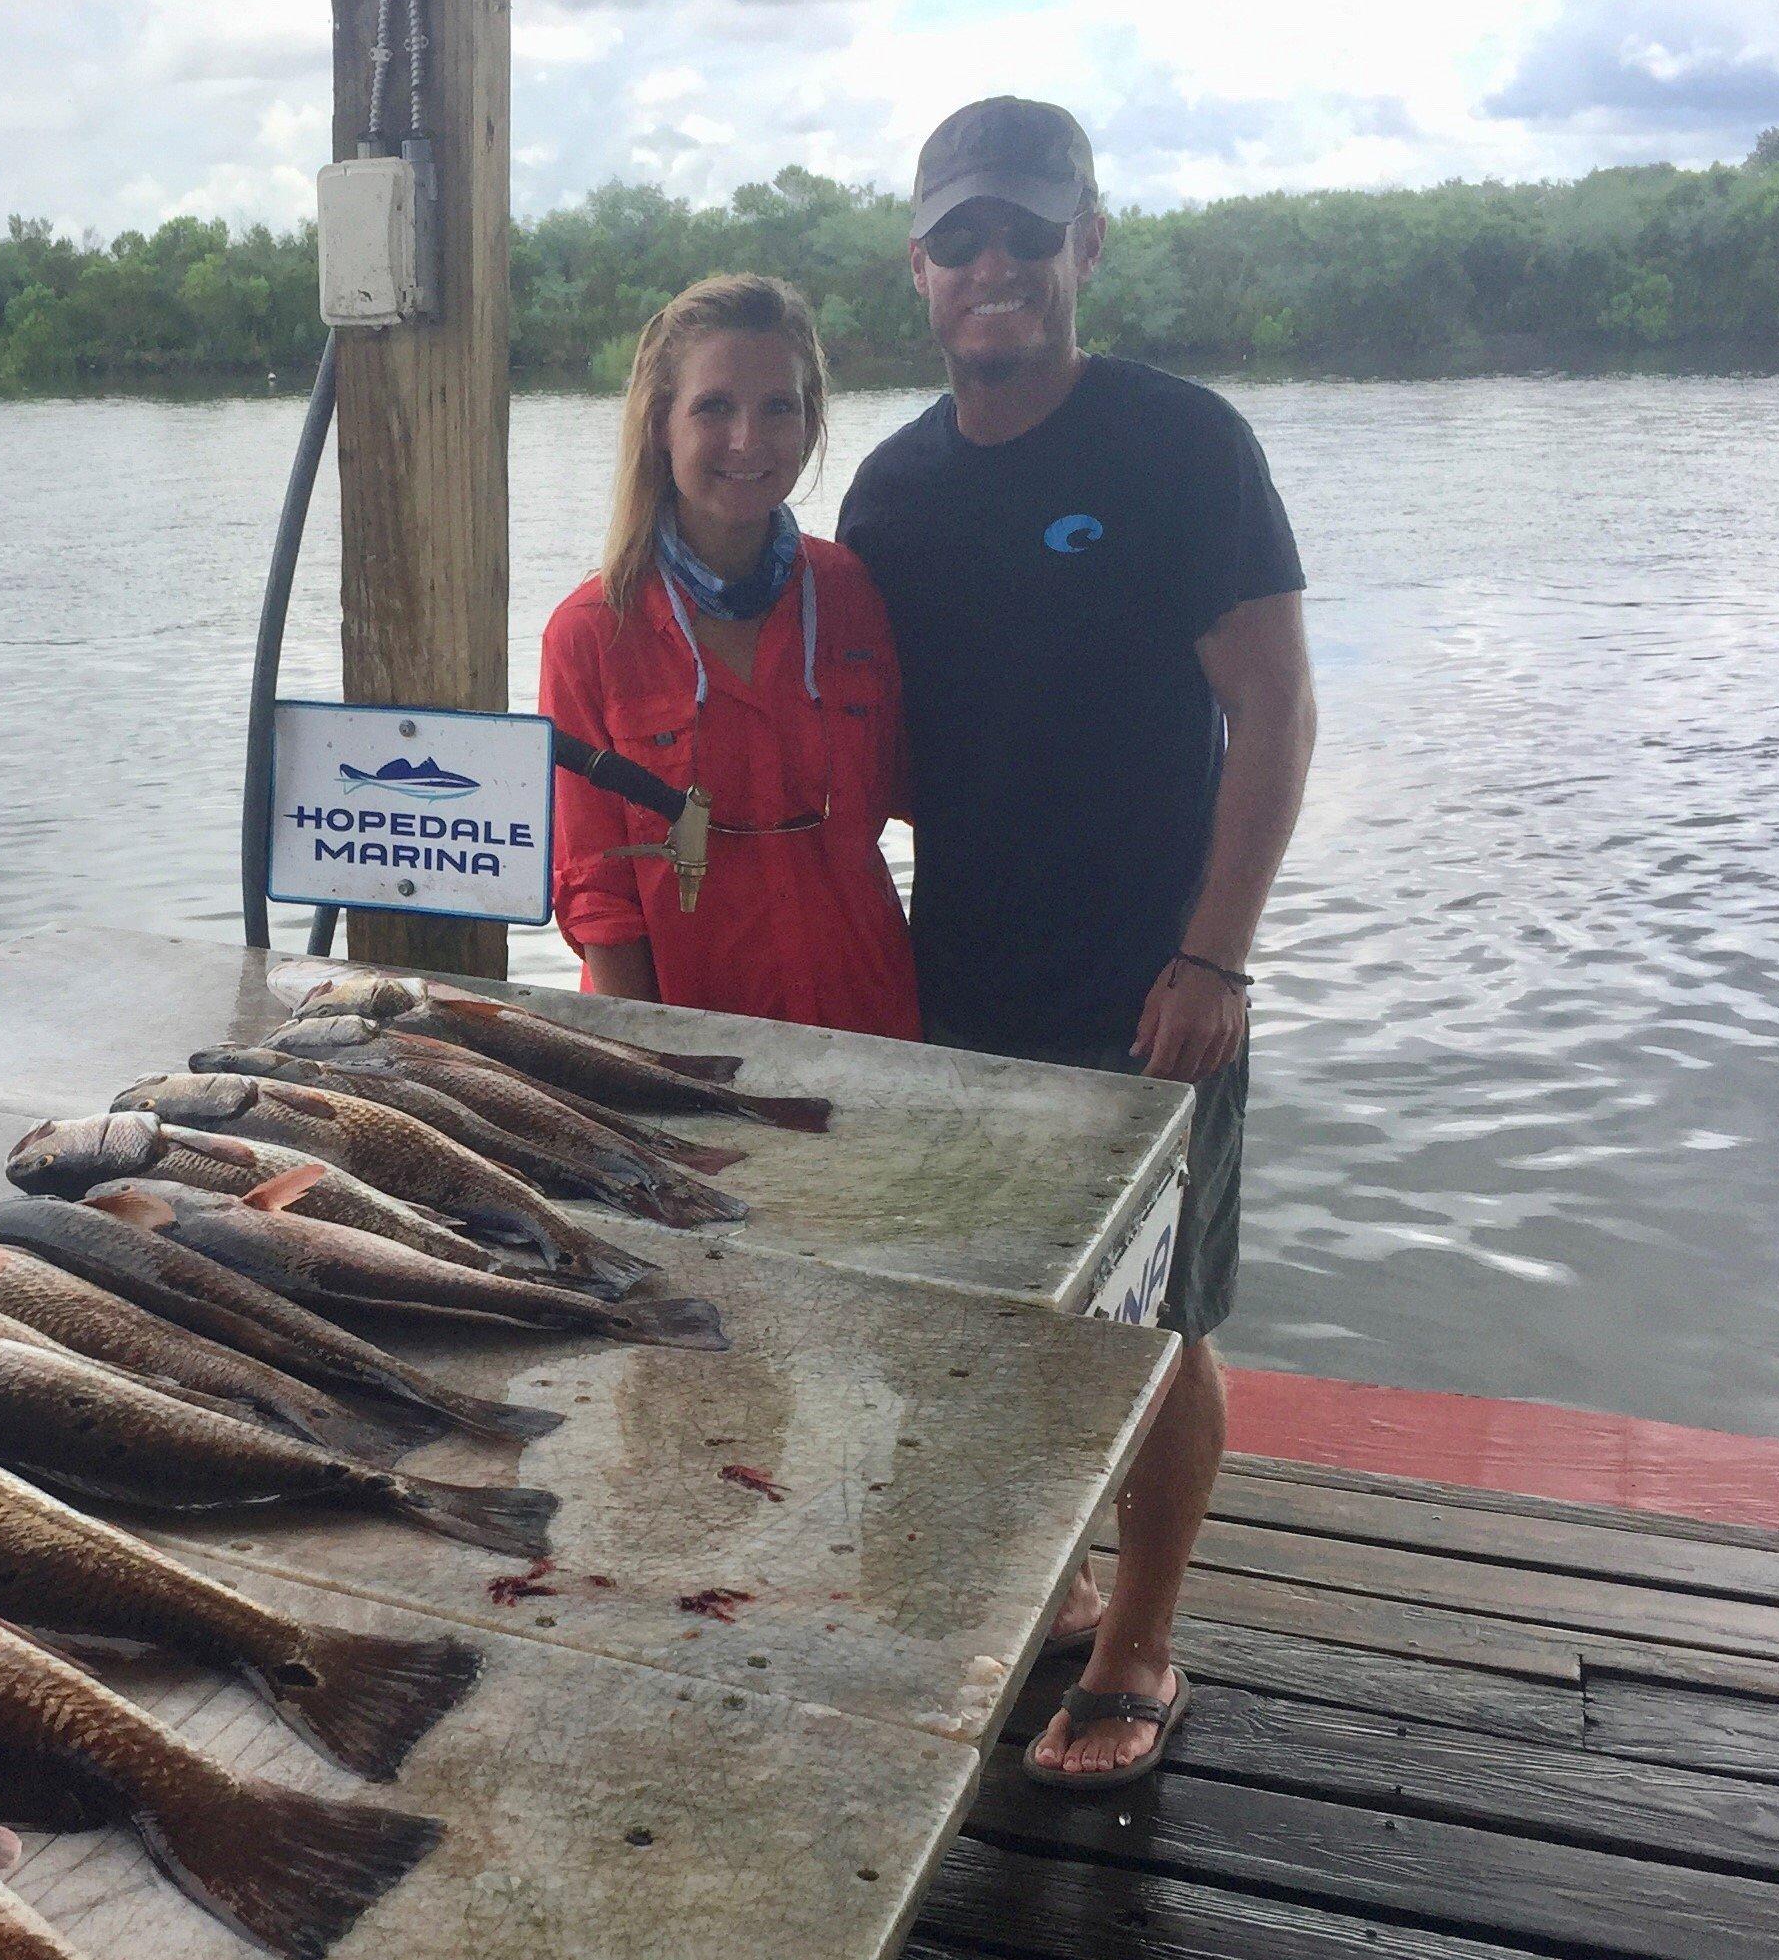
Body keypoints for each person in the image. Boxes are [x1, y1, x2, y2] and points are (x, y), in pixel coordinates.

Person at [838, 97, 1317, 1787]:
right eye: (959, 237)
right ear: (916, 267)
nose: (994, 268)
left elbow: (1269, 712)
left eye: (1026, 234)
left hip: (1153, 980)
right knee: (995, 1311)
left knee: (1159, 1319)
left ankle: (1139, 1639)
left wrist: (1212, 956)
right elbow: (863, 754)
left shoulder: (1176, 445)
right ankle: (1051, 1587)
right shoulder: (887, 490)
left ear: (1083, 246)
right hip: (958, 976)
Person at [542, 274, 920, 1041]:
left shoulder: (850, 591)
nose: (747, 440)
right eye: (714, 407)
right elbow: (596, 895)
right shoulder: (589, 634)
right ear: (660, 425)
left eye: (778, 406)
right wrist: (653, 1074)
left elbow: (915, 793)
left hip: (870, 1024)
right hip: (685, 1038)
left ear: (811, 424)